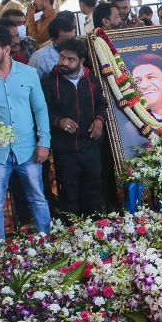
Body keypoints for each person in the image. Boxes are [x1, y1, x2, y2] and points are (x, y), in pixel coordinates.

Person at [0, 24, 51, 241]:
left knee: (38, 197)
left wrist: (44, 142)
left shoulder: (29, 74)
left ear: (6, 49)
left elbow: (40, 109)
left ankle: (47, 243)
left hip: (28, 148)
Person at [42, 38, 105, 217]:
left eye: (70, 60)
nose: (64, 63)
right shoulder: (49, 82)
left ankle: (95, 229)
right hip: (65, 149)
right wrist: (59, 121)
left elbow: (102, 104)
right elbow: (43, 111)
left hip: (91, 146)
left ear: (81, 61)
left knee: (93, 189)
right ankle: (72, 231)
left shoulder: (91, 80)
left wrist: (99, 120)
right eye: (62, 58)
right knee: (69, 192)